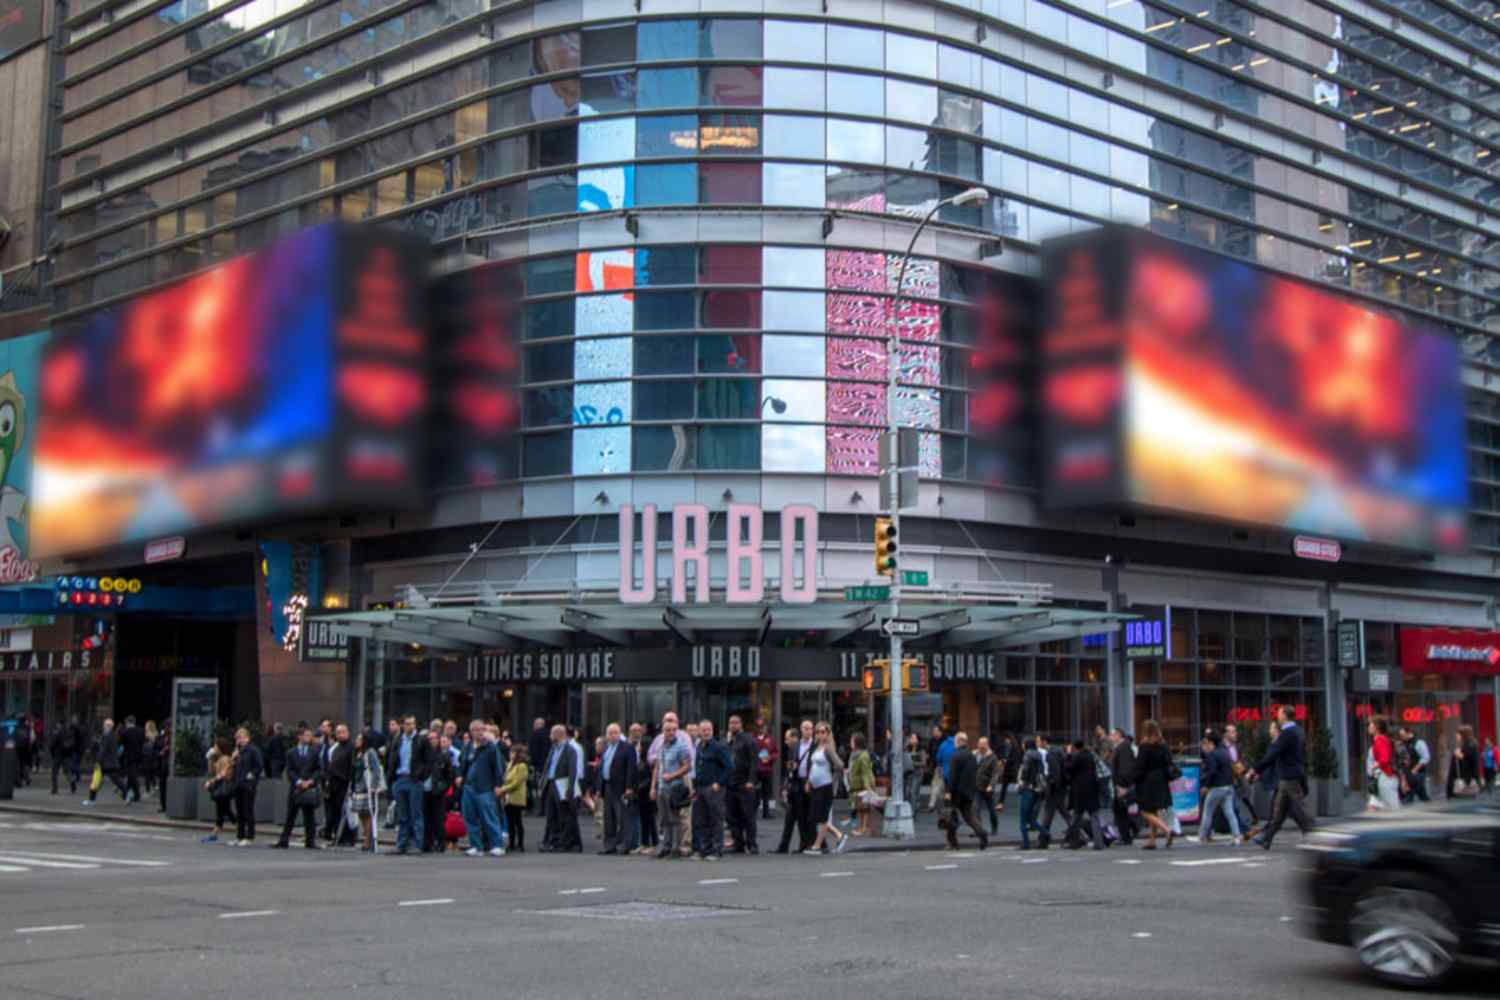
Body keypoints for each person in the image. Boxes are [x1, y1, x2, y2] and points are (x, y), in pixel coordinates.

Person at [1249, 706, 1314, 849]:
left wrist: (1256, 769)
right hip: (1291, 775)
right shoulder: (1298, 731)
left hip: (1289, 777)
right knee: (1280, 810)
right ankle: (1266, 838)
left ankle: (1313, 835)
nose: (1277, 716)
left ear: (1284, 715)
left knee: (1299, 809)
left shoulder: (1287, 733)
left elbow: (1272, 754)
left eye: (1279, 713)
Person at [384, 715, 433, 854]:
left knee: (416, 814)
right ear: (402, 725)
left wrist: (421, 777)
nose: (410, 726)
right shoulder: (398, 740)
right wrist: (390, 778)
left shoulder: (421, 740)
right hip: (400, 778)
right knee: (402, 815)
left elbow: (429, 761)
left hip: (414, 780)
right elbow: (391, 759)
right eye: (407, 724)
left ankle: (417, 844)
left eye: (412, 723)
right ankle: (401, 844)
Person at [457, 725, 504, 858]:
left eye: (481, 730)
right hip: (469, 786)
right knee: (470, 818)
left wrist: (498, 785)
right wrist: (459, 776)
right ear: (471, 732)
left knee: (489, 818)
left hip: (485, 787)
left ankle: (497, 845)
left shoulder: (490, 747)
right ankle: (476, 846)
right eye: (476, 730)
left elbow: (498, 767)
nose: (479, 732)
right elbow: (462, 764)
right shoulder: (467, 747)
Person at [274, 725, 322, 850]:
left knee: (309, 815)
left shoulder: (314, 751)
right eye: (306, 735)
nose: (309, 738)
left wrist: (311, 781)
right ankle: (284, 840)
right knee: (291, 814)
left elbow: (318, 769)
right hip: (296, 787)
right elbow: (290, 770)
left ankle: (310, 841)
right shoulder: (291, 752)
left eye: (310, 736)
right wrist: (298, 781)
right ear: (299, 737)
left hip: (309, 786)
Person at [803, 722, 848, 855]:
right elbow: (813, 766)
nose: (820, 734)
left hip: (825, 786)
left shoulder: (828, 748)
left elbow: (839, 765)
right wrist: (809, 781)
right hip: (816, 787)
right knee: (816, 817)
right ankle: (839, 835)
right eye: (817, 732)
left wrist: (834, 779)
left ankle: (817, 846)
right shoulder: (816, 747)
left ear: (828, 734)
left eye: (823, 732)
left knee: (822, 818)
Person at [652, 714, 693, 859]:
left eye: (673, 730)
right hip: (661, 787)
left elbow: (687, 766)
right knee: (664, 819)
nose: (670, 733)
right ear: (663, 731)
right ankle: (666, 846)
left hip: (674, 787)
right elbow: (657, 767)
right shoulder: (661, 746)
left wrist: (672, 775)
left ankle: (675, 848)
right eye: (667, 730)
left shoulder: (681, 746)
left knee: (674, 818)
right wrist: (653, 787)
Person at [1131, 720, 1176, 850]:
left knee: (1145, 811)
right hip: (1161, 780)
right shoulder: (1163, 745)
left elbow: (1140, 766)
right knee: (1154, 810)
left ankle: (1166, 830)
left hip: (1148, 781)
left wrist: (1132, 778)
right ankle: (1152, 840)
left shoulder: (1144, 746)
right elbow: (1169, 761)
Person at [690, 719, 730, 861]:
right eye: (703, 730)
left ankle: (717, 850)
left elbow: (729, 767)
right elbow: (697, 767)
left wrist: (719, 783)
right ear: (699, 732)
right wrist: (695, 787)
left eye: (708, 730)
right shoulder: (699, 746)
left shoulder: (718, 747)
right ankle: (705, 849)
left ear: (712, 731)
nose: (706, 732)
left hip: (714, 789)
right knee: (702, 820)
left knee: (716, 820)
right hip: (701, 788)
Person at [942, 732, 989, 851]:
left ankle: (953, 843)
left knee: (951, 817)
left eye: (955, 741)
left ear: (958, 741)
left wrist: (948, 791)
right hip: (968, 792)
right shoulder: (972, 756)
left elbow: (952, 776)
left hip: (956, 792)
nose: (954, 743)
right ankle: (982, 833)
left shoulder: (956, 756)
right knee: (970, 817)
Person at [597, 722, 638, 856]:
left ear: (620, 734)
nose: (613, 735)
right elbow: (602, 768)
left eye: (615, 733)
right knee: (608, 818)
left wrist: (629, 787)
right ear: (606, 735)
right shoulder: (607, 748)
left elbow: (631, 769)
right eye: (610, 733)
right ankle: (609, 845)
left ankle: (625, 845)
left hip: (621, 788)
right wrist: (599, 788)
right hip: (607, 786)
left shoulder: (627, 748)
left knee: (623, 817)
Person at [541, 724, 581, 853]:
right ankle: (554, 840)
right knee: (551, 815)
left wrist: (570, 788)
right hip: (551, 784)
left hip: (562, 784)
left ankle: (566, 842)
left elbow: (572, 770)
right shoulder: (553, 749)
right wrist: (542, 782)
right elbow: (548, 766)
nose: (550, 736)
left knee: (564, 815)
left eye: (551, 734)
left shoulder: (570, 750)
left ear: (558, 734)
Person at [1196, 732, 1242, 844]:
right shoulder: (1225, 752)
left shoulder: (1212, 754)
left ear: (1211, 743)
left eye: (1208, 742)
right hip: (1229, 786)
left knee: (1208, 812)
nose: (1207, 745)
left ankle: (1202, 836)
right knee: (1230, 813)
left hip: (1216, 787)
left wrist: (1206, 785)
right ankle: (1237, 836)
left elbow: (1212, 771)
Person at [777, 721, 815, 853]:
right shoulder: (796, 746)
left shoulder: (815, 745)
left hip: (808, 784)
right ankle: (784, 846)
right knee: (791, 817)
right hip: (795, 784)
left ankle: (807, 844)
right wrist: (786, 787)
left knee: (803, 817)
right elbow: (789, 767)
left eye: (810, 728)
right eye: (805, 728)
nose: (808, 731)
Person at [1063, 739, 1105, 850]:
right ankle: (1099, 842)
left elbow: (1068, 768)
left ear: (1075, 747)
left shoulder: (1077, 757)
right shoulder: (1090, 755)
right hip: (1092, 789)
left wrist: (1068, 755)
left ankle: (1074, 841)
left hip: (1080, 790)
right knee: (1094, 816)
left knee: (1076, 817)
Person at [725, 715, 759, 853]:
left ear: (741, 724)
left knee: (748, 815)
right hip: (730, 783)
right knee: (731, 815)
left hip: (744, 783)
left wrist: (751, 780)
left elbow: (754, 761)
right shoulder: (728, 741)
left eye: (736, 723)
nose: (733, 725)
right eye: (731, 723)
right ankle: (738, 843)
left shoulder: (748, 739)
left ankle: (752, 844)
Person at [350, 731, 386, 853]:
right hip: (358, 786)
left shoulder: (370, 752)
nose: (357, 741)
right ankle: (367, 835)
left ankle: (368, 840)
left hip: (367, 786)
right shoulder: (357, 753)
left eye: (359, 739)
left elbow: (376, 769)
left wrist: (374, 786)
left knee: (369, 813)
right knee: (361, 813)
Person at [423, 731, 456, 853]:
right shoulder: (423, 756)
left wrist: (443, 788)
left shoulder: (444, 756)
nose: (432, 741)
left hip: (438, 791)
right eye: (429, 738)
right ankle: (427, 843)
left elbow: (449, 775)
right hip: (425, 790)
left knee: (438, 818)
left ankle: (440, 843)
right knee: (426, 818)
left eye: (434, 738)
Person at [322, 724, 354, 844]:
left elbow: (352, 767)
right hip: (333, 784)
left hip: (344, 783)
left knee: (346, 811)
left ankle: (348, 837)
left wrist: (349, 781)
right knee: (335, 812)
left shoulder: (351, 748)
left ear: (348, 733)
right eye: (338, 732)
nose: (341, 735)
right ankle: (338, 836)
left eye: (343, 732)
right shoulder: (336, 748)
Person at [1036, 734, 1069, 849]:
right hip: (1060, 788)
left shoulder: (1051, 754)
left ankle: (1043, 840)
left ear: (1044, 742)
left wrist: (1051, 787)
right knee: (1064, 813)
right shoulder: (1056, 751)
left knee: (1048, 814)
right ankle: (1078, 835)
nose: (1037, 744)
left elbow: (1055, 773)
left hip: (1055, 789)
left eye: (1038, 741)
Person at [231, 726, 263, 846]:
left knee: (248, 810)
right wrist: (233, 759)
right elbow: (233, 766)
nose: (238, 740)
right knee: (239, 811)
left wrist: (251, 775)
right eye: (237, 738)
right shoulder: (238, 751)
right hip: (238, 784)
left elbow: (259, 766)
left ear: (247, 738)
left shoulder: (253, 750)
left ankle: (250, 836)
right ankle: (240, 836)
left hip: (248, 785)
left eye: (240, 738)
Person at [202, 741, 238, 845]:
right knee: (222, 811)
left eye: (215, 747)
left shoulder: (225, 759)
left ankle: (240, 831)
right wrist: (209, 759)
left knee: (226, 811)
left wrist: (211, 782)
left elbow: (223, 774)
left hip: (224, 787)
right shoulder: (219, 759)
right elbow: (212, 772)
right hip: (220, 788)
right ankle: (215, 833)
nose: (214, 749)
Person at [498, 745, 529, 853]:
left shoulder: (522, 766)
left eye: (512, 752)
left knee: (517, 821)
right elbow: (505, 777)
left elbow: (516, 782)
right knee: (510, 822)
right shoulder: (510, 764)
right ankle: (511, 843)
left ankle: (520, 844)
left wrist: (503, 789)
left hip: (516, 797)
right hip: (508, 797)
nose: (510, 754)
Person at [1366, 716, 1401, 811]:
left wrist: (1375, 765)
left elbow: (1385, 758)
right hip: (1382, 777)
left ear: (1377, 727)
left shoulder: (1380, 740)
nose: (1369, 727)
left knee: (1392, 809)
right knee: (1373, 807)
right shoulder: (1381, 740)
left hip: (1385, 777)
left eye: (1371, 724)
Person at [1108, 729, 1136, 846]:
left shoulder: (1124, 747)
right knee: (1120, 810)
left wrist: (1122, 785)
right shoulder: (1120, 747)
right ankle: (1128, 834)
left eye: (1112, 734)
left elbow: (1126, 768)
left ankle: (1126, 835)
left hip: (1121, 784)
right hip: (1118, 783)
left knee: (1120, 810)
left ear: (1118, 735)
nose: (1110, 737)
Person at [846, 732, 876, 837]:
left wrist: (868, 788)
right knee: (860, 807)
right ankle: (862, 827)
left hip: (862, 785)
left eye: (852, 740)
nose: (850, 742)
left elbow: (865, 773)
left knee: (864, 808)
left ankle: (864, 828)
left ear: (857, 742)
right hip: (856, 784)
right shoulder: (854, 754)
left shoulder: (863, 756)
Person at [974, 737, 1001, 836]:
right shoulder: (975, 754)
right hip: (977, 786)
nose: (980, 746)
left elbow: (995, 773)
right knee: (975, 809)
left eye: (983, 744)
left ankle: (994, 828)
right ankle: (979, 830)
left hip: (987, 788)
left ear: (987, 745)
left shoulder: (992, 757)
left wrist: (991, 785)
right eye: (979, 744)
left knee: (992, 810)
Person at [49, 715, 82, 796]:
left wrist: (52, 753)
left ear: (59, 724)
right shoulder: (69, 731)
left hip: (58, 754)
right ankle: (72, 781)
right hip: (67, 754)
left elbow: (52, 744)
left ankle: (54, 789)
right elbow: (73, 742)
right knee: (67, 771)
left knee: (54, 771)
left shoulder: (57, 732)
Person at [753, 717, 778, 819]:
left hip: (767, 770)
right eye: (759, 727)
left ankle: (766, 812)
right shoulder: (752, 739)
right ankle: (753, 812)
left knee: (766, 792)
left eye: (762, 727)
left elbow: (776, 752)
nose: (761, 729)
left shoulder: (771, 739)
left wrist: (770, 758)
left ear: (766, 727)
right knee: (755, 792)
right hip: (756, 770)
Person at [1447, 724, 1482, 799]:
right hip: (1463, 780)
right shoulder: (1465, 745)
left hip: (1466, 780)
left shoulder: (1470, 745)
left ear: (1463, 735)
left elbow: (1471, 761)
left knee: (1465, 798)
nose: (1456, 736)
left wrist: (1460, 755)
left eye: (1458, 734)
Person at [1400, 726, 1431, 802]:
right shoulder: (1404, 744)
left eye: (1403, 735)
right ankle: (1427, 802)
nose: (1401, 737)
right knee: (1422, 794)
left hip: (1418, 773)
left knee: (1409, 795)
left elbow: (1425, 758)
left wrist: (1415, 770)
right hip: (1409, 774)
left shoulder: (1419, 743)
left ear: (1409, 733)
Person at [118, 715, 145, 804]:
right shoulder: (141, 731)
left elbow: (120, 744)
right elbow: (142, 742)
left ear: (128, 723)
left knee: (132, 775)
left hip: (129, 757)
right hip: (139, 756)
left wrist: (119, 754)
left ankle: (136, 794)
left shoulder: (125, 732)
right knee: (131, 775)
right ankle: (126, 792)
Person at [527, 717, 550, 815]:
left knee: (537, 787)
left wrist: (532, 763)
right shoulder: (549, 734)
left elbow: (534, 751)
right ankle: (545, 808)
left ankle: (537, 808)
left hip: (538, 765)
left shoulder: (535, 734)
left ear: (537, 724)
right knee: (545, 788)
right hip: (547, 764)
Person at [928, 727, 954, 813]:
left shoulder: (944, 744)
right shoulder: (955, 743)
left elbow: (938, 757)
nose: (933, 733)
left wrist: (937, 765)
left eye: (935, 731)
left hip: (941, 767)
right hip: (951, 769)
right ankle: (947, 807)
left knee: (937, 785)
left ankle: (934, 804)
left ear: (941, 732)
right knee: (946, 788)